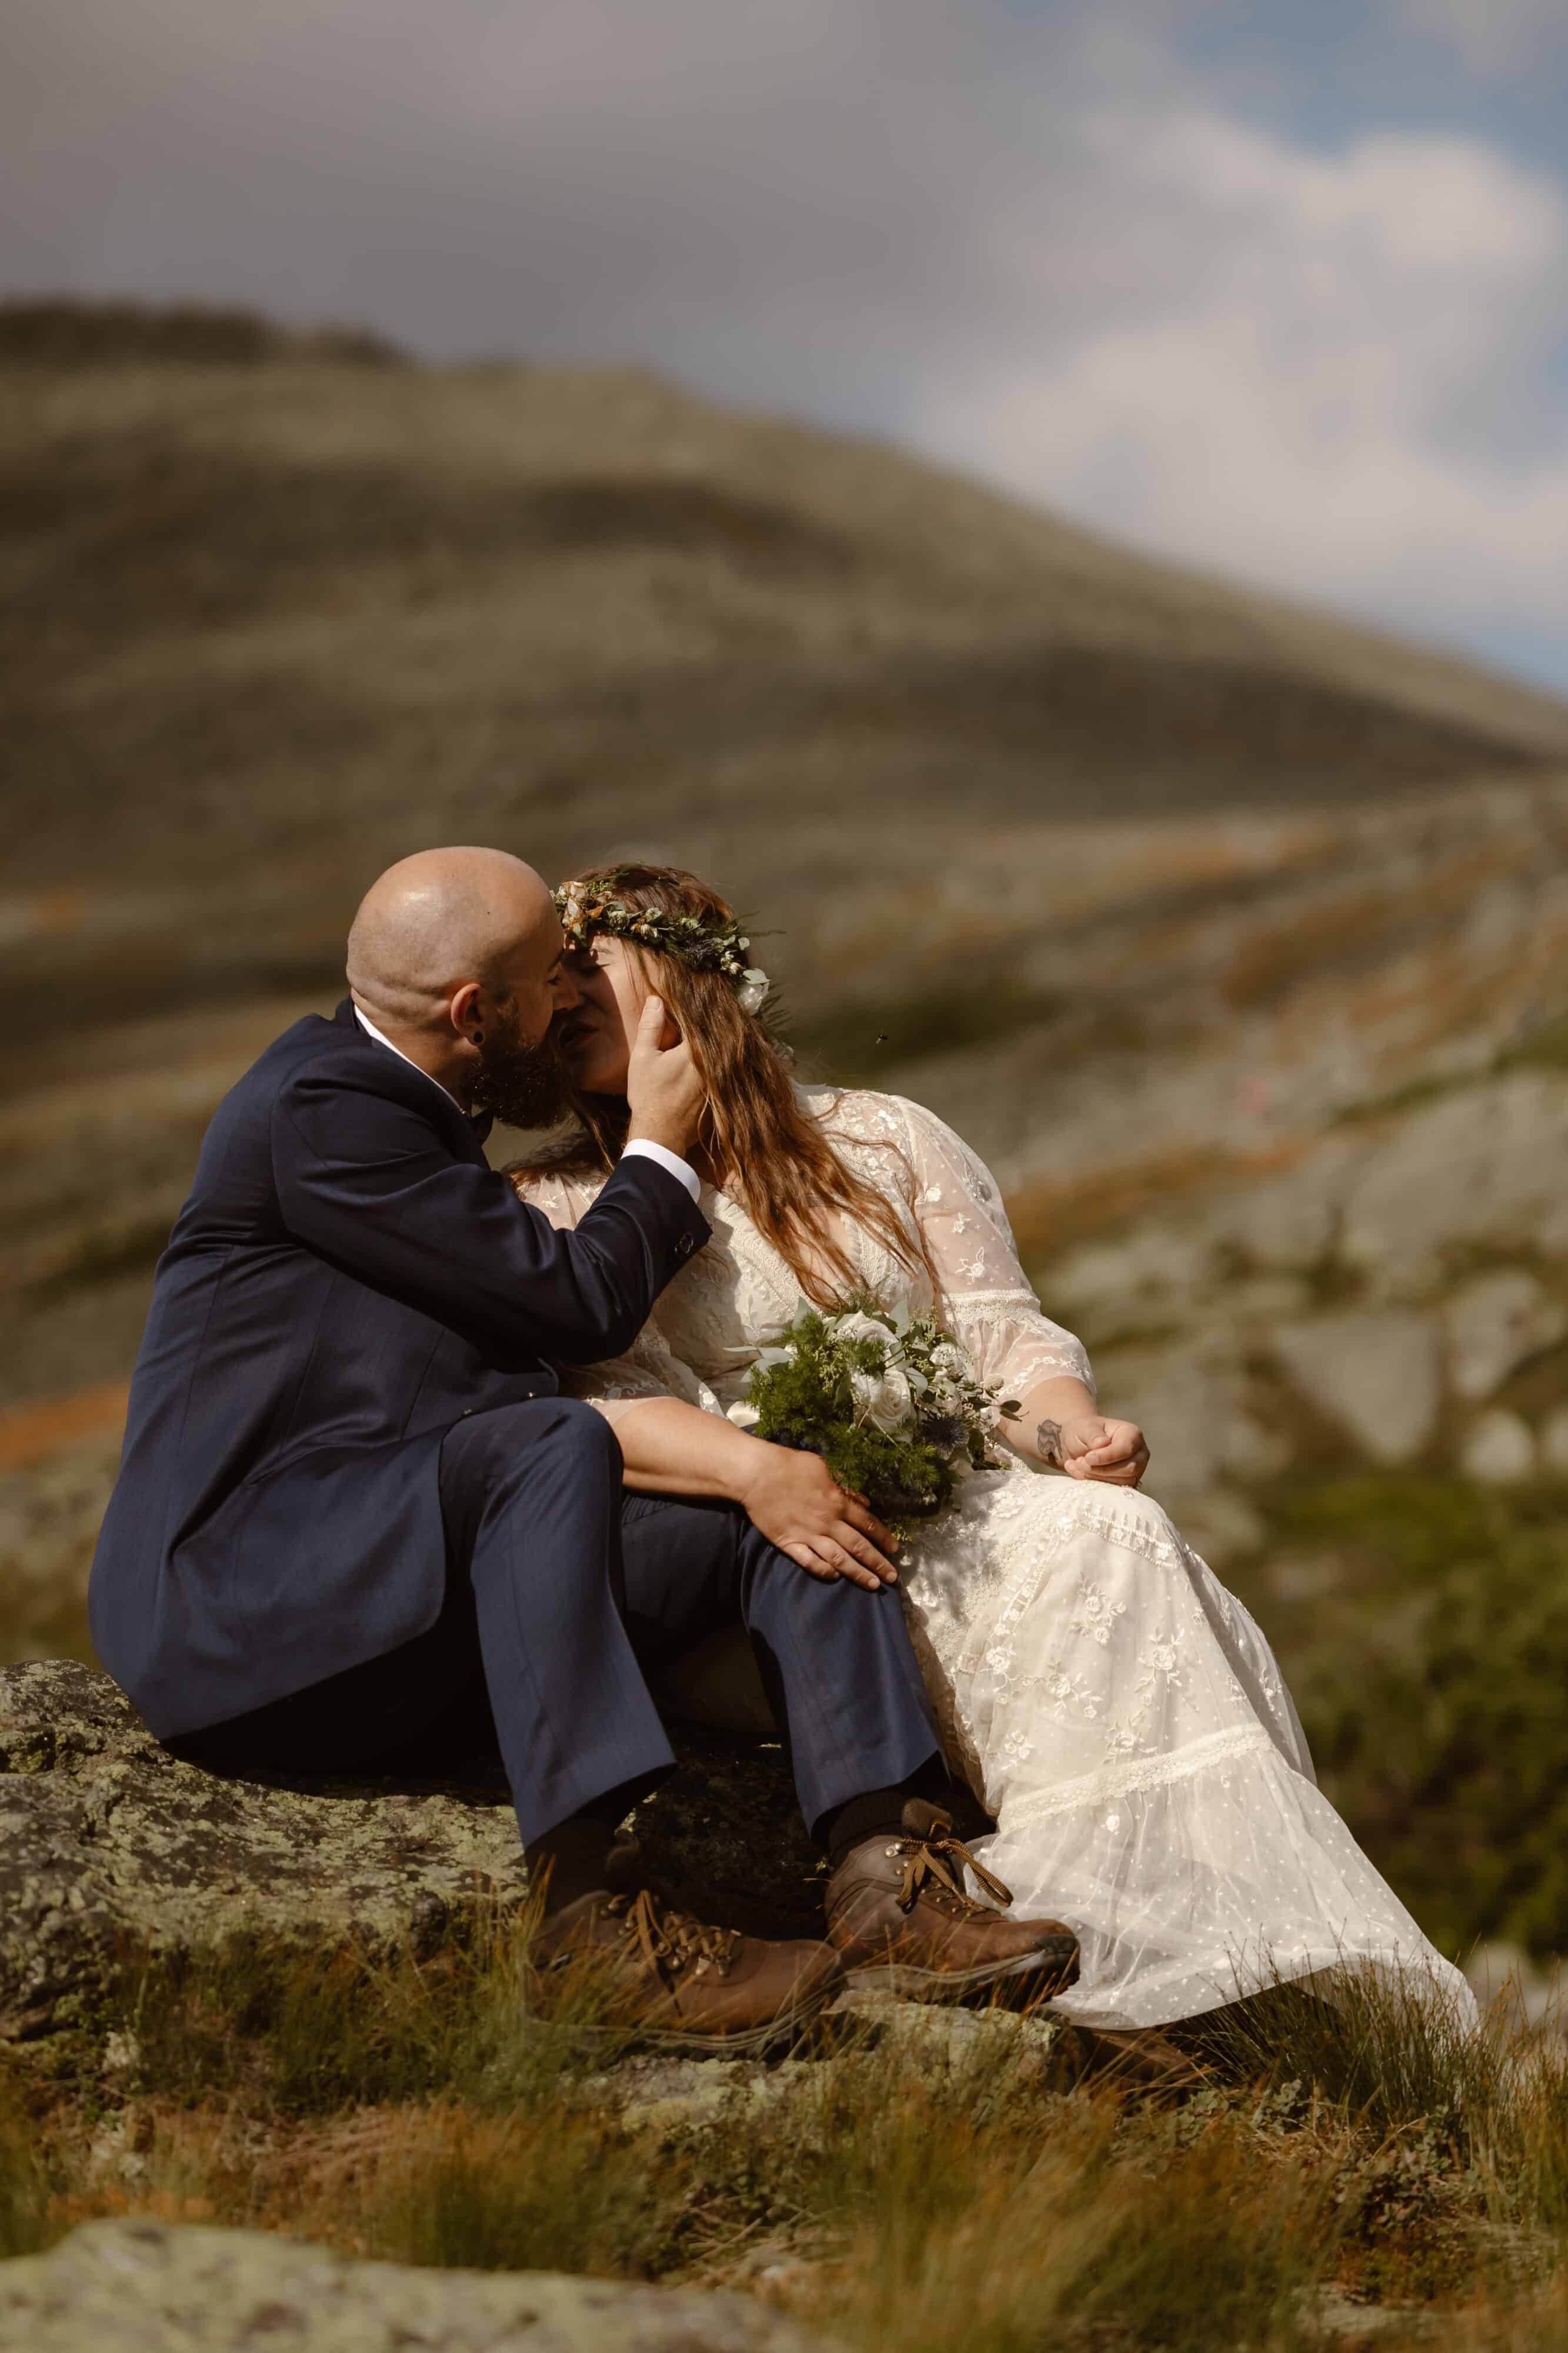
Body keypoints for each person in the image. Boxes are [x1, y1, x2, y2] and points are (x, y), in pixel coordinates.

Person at [88, 846, 1077, 2052]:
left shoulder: (420, 1116)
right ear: (474, 1012)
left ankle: (888, 1873)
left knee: (778, 1513)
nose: (573, 1000)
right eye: (556, 978)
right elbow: (572, 1306)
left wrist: (756, 1468)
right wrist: (659, 1138)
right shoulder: (324, 1109)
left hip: (412, 1586)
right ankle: (586, 1929)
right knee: (547, 1437)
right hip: (252, 1609)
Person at [511, 861, 1477, 2037]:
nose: (557, 1007)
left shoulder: (885, 1138)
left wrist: (1069, 1425)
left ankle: (1187, 1930)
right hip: (761, 1536)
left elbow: (997, 1343)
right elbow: (603, 1406)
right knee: (1060, 1552)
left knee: (1113, 1525)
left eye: (584, 975)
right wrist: (765, 1469)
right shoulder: (561, 1201)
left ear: (683, 980)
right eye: (546, 992)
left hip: (949, 1494)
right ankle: (1073, 1939)